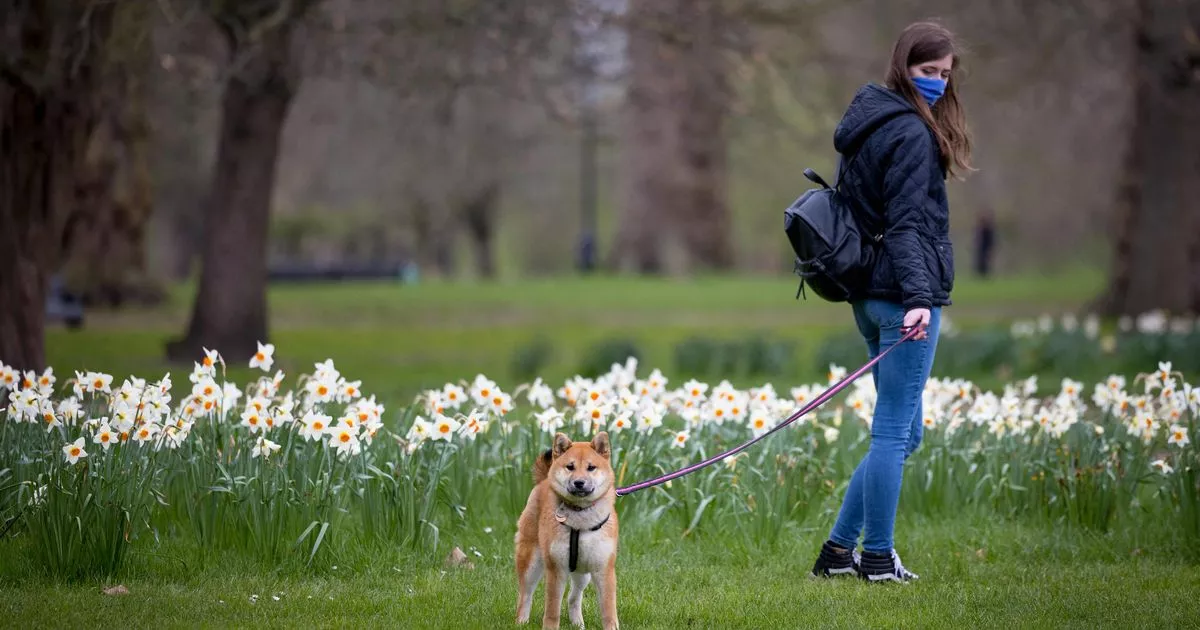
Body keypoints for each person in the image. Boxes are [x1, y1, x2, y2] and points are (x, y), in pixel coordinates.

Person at [809, 20, 973, 583]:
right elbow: (906, 225)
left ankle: (836, 553)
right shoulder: (908, 133)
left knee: (906, 433)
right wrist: (920, 299)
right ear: (903, 67)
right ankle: (877, 557)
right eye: (928, 72)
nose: (937, 83)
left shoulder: (869, 123)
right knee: (892, 433)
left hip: (868, 294)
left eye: (945, 74)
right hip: (902, 297)